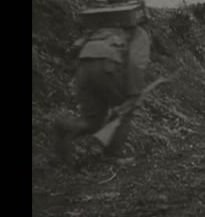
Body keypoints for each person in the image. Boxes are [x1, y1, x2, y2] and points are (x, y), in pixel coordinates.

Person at [54, 9, 152, 164]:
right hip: (107, 66)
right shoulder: (139, 33)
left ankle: (67, 127)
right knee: (127, 108)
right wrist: (134, 93)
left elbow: (75, 48)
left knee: (93, 121)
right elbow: (135, 63)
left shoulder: (102, 30)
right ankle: (112, 154)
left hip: (84, 68)